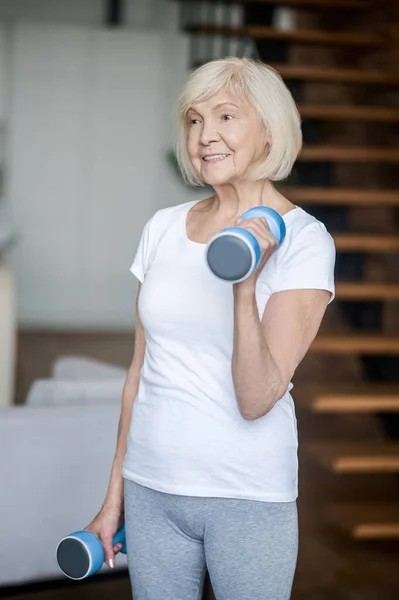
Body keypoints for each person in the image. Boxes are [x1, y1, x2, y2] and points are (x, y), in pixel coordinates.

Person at [85, 57, 336, 600]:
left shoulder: (304, 240)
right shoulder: (163, 228)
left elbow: (256, 397)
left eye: (226, 117)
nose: (205, 136)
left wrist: (243, 282)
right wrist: (114, 497)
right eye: (195, 120)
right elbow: (139, 375)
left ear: (269, 129)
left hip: (244, 493)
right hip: (152, 486)